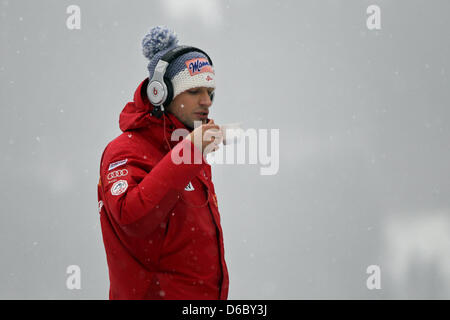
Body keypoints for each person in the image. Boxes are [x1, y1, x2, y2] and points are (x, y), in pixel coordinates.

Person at [97, 26, 229, 300]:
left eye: (210, 92)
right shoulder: (124, 150)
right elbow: (131, 220)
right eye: (194, 91)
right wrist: (190, 152)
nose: (207, 101)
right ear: (160, 93)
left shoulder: (188, 150)